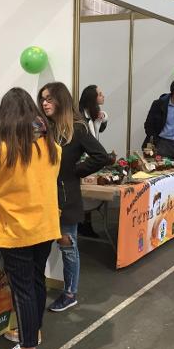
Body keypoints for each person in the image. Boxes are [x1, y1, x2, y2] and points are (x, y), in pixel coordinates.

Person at [0, 87, 61, 349]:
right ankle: (32, 332)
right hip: (45, 225)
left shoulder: (4, 148)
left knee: (22, 288)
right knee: (36, 281)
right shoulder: (49, 145)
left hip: (17, 227)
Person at [38, 82, 108, 312]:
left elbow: (100, 156)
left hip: (66, 200)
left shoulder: (76, 128)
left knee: (68, 248)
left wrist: (75, 172)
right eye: (43, 99)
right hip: (43, 200)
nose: (45, 103)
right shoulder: (44, 129)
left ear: (61, 100)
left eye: (49, 99)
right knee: (41, 248)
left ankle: (70, 293)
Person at [78, 85, 108, 238]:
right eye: (100, 94)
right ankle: (82, 225)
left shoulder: (93, 113)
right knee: (85, 194)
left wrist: (103, 118)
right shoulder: (80, 116)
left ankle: (86, 224)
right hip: (82, 160)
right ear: (92, 97)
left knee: (90, 194)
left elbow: (100, 130)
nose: (103, 96)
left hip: (91, 158)